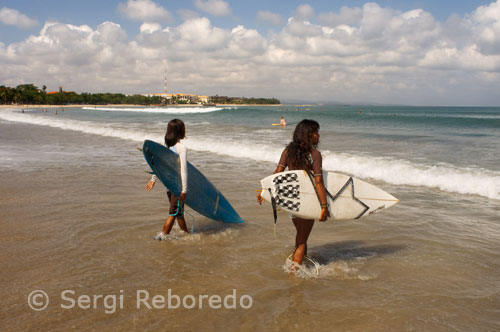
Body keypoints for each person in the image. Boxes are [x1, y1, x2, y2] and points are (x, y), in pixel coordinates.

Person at [257, 119, 329, 267]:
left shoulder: (288, 151)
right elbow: (318, 182)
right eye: (316, 132)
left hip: (290, 200)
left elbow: (277, 173)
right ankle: (294, 275)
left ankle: (302, 263)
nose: (318, 136)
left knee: (302, 235)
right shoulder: (314, 154)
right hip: (307, 201)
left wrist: (264, 189)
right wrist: (324, 206)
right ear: (309, 134)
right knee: (301, 240)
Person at [146, 119, 189, 239]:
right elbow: (183, 170)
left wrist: (153, 179)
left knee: (179, 213)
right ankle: (162, 236)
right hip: (177, 187)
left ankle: (186, 235)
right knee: (173, 213)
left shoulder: (165, 146)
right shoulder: (181, 147)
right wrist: (184, 190)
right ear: (180, 131)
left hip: (167, 185)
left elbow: (159, 166)